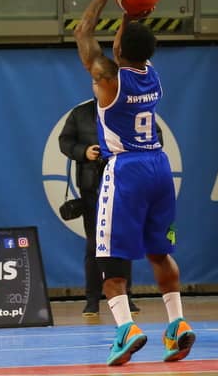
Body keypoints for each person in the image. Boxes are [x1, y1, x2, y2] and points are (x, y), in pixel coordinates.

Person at [73, 0, 193, 366]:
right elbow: (127, 46)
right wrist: (130, 13)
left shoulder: (109, 79)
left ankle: (126, 328)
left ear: (119, 50)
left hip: (126, 169)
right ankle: (176, 323)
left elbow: (83, 34)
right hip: (159, 165)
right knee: (159, 252)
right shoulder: (152, 75)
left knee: (108, 257)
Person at [58, 99, 139, 318]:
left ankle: (126, 297)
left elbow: (155, 137)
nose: (100, 87)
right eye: (96, 83)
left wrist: (126, 151)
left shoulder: (129, 109)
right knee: (94, 244)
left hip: (122, 186)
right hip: (91, 189)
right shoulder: (80, 113)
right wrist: (83, 151)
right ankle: (92, 300)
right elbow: (64, 141)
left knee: (122, 243)